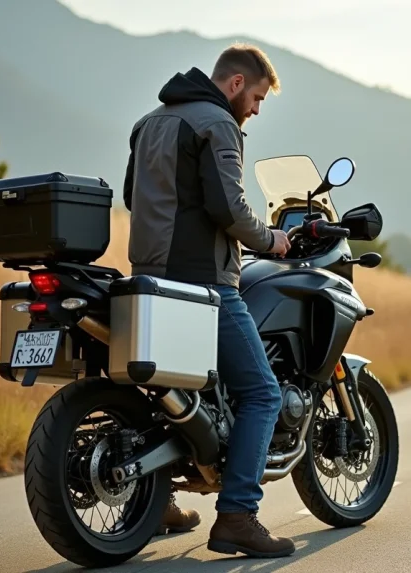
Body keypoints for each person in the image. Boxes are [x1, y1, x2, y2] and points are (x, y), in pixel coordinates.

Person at [122, 43, 295, 558]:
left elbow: (135, 198)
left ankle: (154, 503)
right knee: (262, 394)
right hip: (206, 284)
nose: (257, 109)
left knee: (161, 391)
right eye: (258, 97)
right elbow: (229, 206)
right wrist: (270, 239)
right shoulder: (216, 123)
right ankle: (239, 516)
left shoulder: (148, 122)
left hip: (151, 275)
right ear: (236, 84)